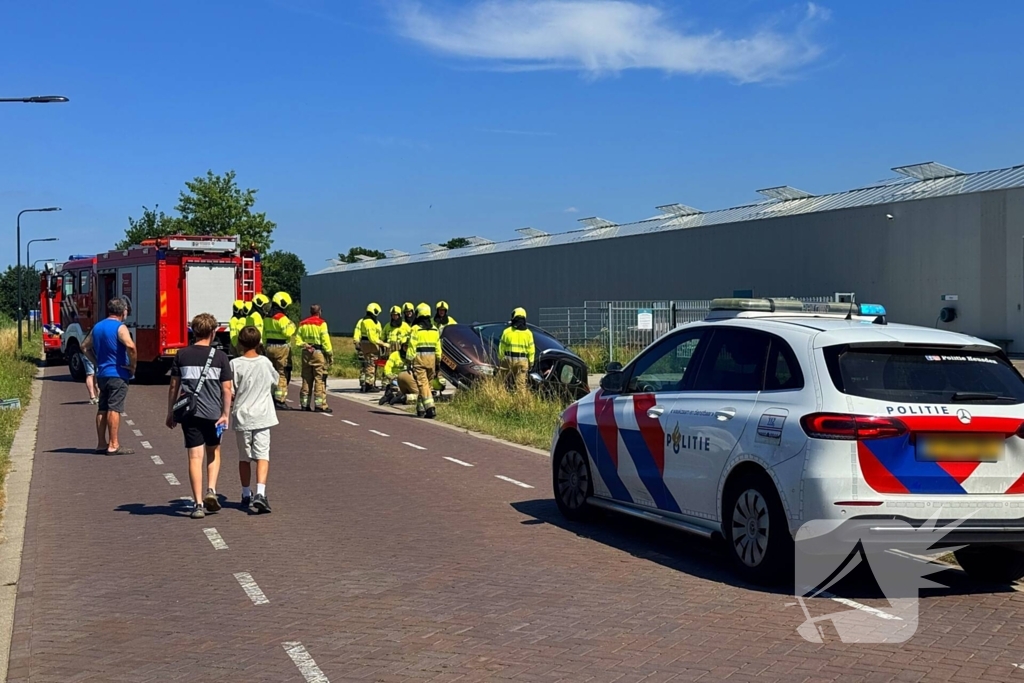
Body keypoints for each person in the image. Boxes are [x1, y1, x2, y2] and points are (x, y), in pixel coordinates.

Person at [166, 313, 233, 519]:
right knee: (213, 452)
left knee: (194, 457)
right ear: (213, 332)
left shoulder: (182, 355)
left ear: (193, 332)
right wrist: (225, 414)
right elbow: (227, 389)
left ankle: (197, 504)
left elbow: (174, 385)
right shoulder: (220, 357)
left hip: (190, 413)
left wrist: (171, 412)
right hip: (214, 414)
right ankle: (211, 490)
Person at [231, 325, 278, 513]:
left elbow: (230, 390)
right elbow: (274, 381)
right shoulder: (265, 362)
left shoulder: (235, 364)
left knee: (244, 457)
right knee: (262, 456)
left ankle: (245, 493)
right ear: (259, 342)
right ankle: (260, 492)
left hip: (242, 416)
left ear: (240, 343)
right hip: (263, 416)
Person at [82, 298, 137, 455]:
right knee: (115, 408)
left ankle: (101, 443)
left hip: (102, 374)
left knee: (103, 408)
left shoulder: (98, 327)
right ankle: (113, 444)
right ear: (123, 311)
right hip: (118, 373)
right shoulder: (120, 327)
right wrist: (133, 366)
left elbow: (84, 346)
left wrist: (97, 362)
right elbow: (131, 346)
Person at [262, 292, 297, 408]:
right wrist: (292, 325)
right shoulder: (281, 317)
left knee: (271, 374)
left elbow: (264, 333)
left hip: (269, 346)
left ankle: (271, 397)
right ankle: (280, 400)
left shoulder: (267, 317)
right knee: (282, 374)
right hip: (281, 348)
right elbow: (287, 332)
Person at [295, 304, 333, 413]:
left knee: (306, 378)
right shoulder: (322, 324)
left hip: (306, 352)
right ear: (319, 312)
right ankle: (319, 405)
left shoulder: (303, 323)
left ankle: (304, 404)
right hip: (318, 352)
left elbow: (298, 340)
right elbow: (325, 341)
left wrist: (305, 345)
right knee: (319, 379)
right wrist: (330, 354)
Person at [407, 303, 441, 418]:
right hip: (432, 361)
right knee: (427, 385)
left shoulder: (415, 329)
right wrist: (438, 362)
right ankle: (420, 409)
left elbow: (412, 346)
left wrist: (408, 360)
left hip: (419, 360)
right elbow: (438, 348)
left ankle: (430, 408)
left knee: (422, 384)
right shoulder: (435, 329)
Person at [499, 307, 536, 393]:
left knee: (501, 382)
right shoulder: (528, 333)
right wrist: (531, 362)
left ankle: (500, 398)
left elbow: (501, 347)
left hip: (508, 359)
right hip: (522, 361)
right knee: (521, 385)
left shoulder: (507, 332)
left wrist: (501, 359)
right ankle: (521, 403)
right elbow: (531, 350)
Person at [355, 303, 386, 392]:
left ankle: (368, 383)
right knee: (369, 364)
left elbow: (379, 334)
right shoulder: (365, 321)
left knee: (370, 364)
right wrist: (356, 342)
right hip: (369, 344)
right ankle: (368, 384)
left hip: (371, 344)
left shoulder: (376, 323)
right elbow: (358, 331)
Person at [383, 339, 418, 406]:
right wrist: (391, 376)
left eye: (408, 347)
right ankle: (404, 398)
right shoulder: (395, 355)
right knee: (422, 396)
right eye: (405, 346)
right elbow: (387, 368)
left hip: (409, 379)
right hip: (396, 379)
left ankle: (393, 396)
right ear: (402, 346)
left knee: (406, 391)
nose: (406, 348)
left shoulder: (414, 355)